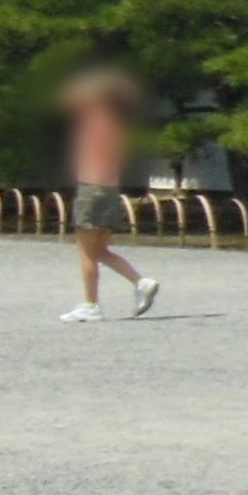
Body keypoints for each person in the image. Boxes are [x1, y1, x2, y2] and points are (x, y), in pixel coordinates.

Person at [57, 69, 158, 323]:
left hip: (91, 188)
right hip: (110, 188)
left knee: (87, 253)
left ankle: (91, 304)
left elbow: (66, 98)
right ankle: (140, 282)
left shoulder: (95, 118)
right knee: (101, 250)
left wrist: (93, 80)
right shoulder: (118, 121)